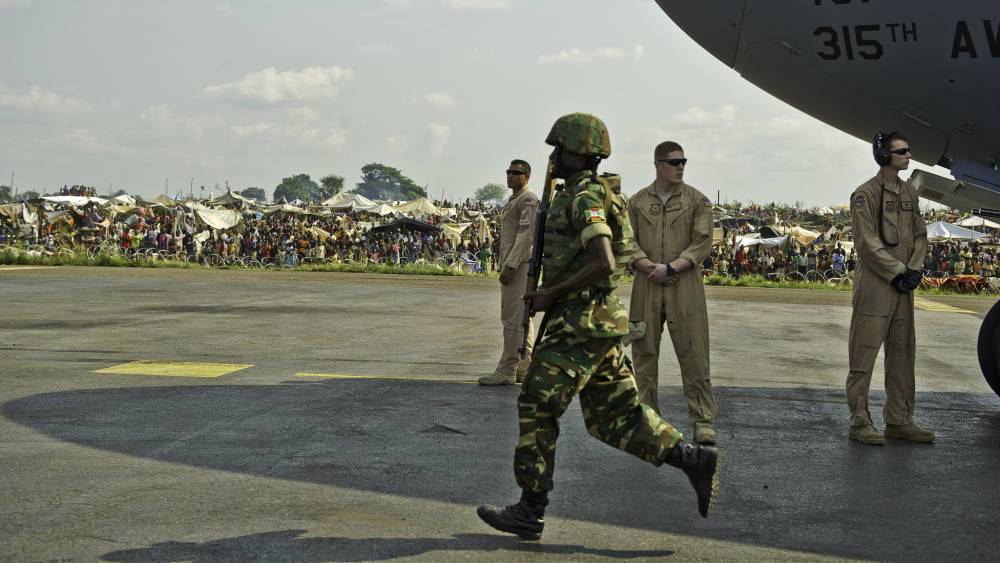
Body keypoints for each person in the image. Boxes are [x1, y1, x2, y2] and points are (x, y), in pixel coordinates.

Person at [477, 113, 719, 541]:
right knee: (614, 419)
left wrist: (553, 294)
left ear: (579, 153)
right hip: (599, 323)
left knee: (536, 401)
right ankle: (691, 459)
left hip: (581, 323)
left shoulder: (585, 196)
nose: (553, 156)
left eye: (560, 149)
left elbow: (606, 260)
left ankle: (530, 509)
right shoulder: (600, 193)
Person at [624, 141, 718, 444]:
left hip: (684, 283)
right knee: (643, 352)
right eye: (674, 162)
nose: (680, 167)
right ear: (658, 165)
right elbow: (626, 241)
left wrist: (672, 268)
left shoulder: (698, 201)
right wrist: (648, 266)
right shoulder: (636, 202)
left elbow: (702, 243)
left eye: (683, 162)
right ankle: (647, 418)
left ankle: (702, 420)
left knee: (694, 353)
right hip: (647, 281)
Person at [846, 131, 933, 445]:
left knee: (902, 353)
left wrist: (915, 268)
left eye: (908, 151)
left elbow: (920, 234)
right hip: (876, 285)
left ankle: (899, 420)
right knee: (864, 355)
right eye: (902, 152)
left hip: (903, 286)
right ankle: (859, 422)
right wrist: (898, 270)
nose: (908, 156)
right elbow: (867, 244)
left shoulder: (909, 193)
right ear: (884, 156)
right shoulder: (864, 194)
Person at [479, 159, 539, 385]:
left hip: (520, 265)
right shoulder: (516, 199)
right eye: (509, 172)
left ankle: (507, 369)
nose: (510, 176)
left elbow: (527, 236)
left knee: (512, 318)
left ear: (527, 176)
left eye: (516, 173)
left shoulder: (528, 200)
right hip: (515, 264)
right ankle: (525, 365)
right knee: (522, 318)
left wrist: (511, 265)